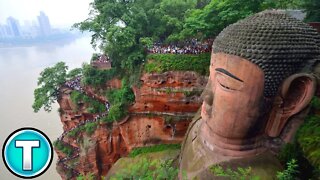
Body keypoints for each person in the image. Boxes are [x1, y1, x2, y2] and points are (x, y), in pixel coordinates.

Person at [179, 10, 319, 179]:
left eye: (225, 84)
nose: (205, 97)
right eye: (210, 77)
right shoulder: (199, 121)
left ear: (291, 99)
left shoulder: (261, 174)